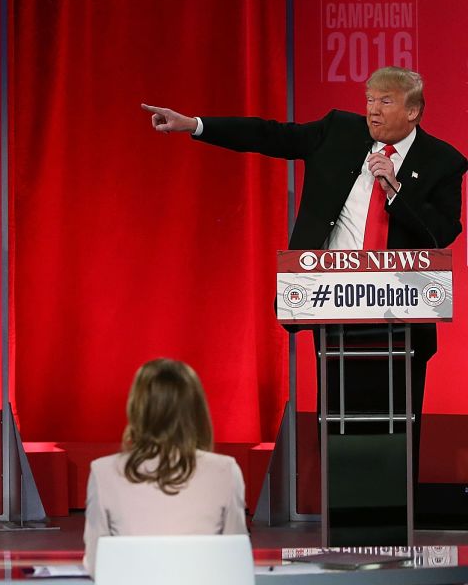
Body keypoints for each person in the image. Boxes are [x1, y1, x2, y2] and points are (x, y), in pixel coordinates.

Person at [142, 66, 466, 487]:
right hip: (335, 302)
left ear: (414, 112)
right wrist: (196, 125)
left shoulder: (443, 161)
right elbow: (270, 135)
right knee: (339, 414)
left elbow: (442, 234)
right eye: (369, 99)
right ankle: (342, 516)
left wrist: (396, 191)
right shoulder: (338, 131)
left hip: (402, 315)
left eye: (385, 102)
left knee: (397, 420)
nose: (372, 110)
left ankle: (395, 516)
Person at [84, 358, 247, 575]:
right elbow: (234, 564)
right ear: (197, 410)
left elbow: (97, 566)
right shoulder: (226, 471)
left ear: (137, 408)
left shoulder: (103, 472)